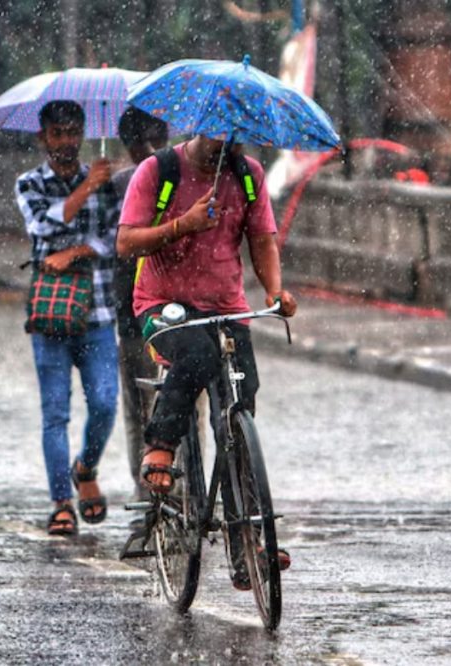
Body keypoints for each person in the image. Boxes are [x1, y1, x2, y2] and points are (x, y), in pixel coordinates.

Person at [116, 134, 297, 586]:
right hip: (164, 306)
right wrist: (183, 225)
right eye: (219, 134)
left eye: (237, 136)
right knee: (196, 356)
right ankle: (160, 444)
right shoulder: (159, 172)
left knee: (239, 406)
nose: (228, 144)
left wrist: (275, 292)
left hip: (227, 308)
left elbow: (263, 241)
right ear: (200, 127)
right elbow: (126, 243)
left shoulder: (248, 175)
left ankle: (247, 544)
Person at [15, 100, 120, 537]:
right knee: (54, 412)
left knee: (104, 403)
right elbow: (43, 227)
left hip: (98, 311)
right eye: (57, 133)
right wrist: (84, 190)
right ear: (43, 137)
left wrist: (77, 251)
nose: (66, 141)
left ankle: (86, 466)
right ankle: (61, 502)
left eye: (72, 132)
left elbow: (116, 239)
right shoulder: (29, 183)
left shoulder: (106, 183)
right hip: (51, 314)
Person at [111, 107, 168, 501]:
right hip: (145, 310)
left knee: (152, 405)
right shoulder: (115, 186)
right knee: (151, 405)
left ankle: (156, 486)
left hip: (155, 311)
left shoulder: (121, 185)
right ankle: (158, 487)